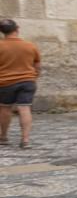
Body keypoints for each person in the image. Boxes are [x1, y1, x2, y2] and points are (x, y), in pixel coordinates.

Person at [0, 19, 41, 149]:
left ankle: (4, 137)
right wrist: (33, 77)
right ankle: (25, 140)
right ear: (17, 28)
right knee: (24, 108)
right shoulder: (30, 46)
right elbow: (37, 65)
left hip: (5, 82)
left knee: (5, 108)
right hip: (27, 81)